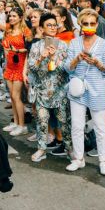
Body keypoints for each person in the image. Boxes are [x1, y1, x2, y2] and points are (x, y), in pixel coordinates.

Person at [64, 9, 105, 176]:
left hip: (98, 90)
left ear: (97, 24)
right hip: (78, 90)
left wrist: (99, 64)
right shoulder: (74, 43)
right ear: (80, 23)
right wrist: (77, 59)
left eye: (92, 23)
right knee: (77, 126)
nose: (89, 26)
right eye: (85, 23)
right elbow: (66, 68)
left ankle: (104, 160)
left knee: (100, 126)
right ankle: (78, 158)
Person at [26, 13, 71, 163]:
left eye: (54, 25)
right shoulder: (36, 46)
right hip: (42, 90)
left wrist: (53, 59)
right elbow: (32, 68)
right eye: (49, 25)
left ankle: (69, 148)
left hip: (60, 91)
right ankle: (41, 149)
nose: (53, 27)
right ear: (41, 28)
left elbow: (65, 69)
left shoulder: (64, 45)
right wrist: (42, 58)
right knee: (42, 121)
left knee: (63, 122)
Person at [0, 6, 31, 136]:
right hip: (9, 66)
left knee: (17, 97)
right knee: (12, 96)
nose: (11, 18)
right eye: (10, 16)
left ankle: (22, 125)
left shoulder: (26, 31)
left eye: (14, 16)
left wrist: (17, 50)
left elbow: (30, 50)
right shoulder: (8, 29)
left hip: (20, 66)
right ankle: (15, 122)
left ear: (20, 17)